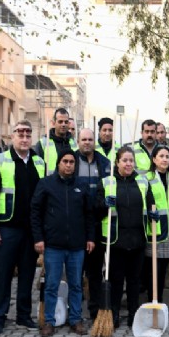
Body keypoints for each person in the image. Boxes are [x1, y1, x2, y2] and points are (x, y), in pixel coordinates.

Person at [0, 120, 45, 335]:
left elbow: (42, 199)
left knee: (28, 275)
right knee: (4, 275)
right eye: (20, 133)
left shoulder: (39, 162)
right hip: (6, 228)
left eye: (28, 134)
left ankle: (23, 315)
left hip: (30, 231)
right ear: (12, 137)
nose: (25, 137)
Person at [31, 149, 96, 337]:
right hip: (53, 245)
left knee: (76, 284)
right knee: (51, 285)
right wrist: (38, 238)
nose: (68, 165)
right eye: (65, 161)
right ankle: (49, 321)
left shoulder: (82, 185)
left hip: (77, 245)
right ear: (58, 164)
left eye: (72, 162)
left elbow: (89, 214)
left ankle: (75, 319)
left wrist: (90, 237)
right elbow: (35, 212)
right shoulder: (46, 184)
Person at [98, 147, 156, 329]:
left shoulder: (142, 182)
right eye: (125, 160)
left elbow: (151, 202)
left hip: (137, 239)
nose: (129, 163)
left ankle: (133, 314)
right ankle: (113, 314)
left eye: (131, 160)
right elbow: (95, 207)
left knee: (134, 281)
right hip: (115, 240)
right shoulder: (108, 182)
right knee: (115, 280)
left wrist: (154, 214)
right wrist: (103, 203)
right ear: (117, 163)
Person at [76, 128, 111, 321]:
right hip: (76, 223)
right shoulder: (70, 161)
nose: (87, 142)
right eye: (84, 139)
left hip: (98, 223)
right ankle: (74, 311)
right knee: (75, 271)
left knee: (95, 271)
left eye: (90, 139)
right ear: (78, 141)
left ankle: (95, 309)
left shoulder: (104, 163)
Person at [143, 145, 169, 303]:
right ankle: (153, 300)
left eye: (167, 157)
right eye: (161, 156)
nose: (165, 159)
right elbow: (143, 200)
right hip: (154, 230)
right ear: (154, 159)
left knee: (164, 269)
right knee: (153, 271)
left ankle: (159, 300)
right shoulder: (147, 178)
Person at [35, 108, 78, 174]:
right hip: (50, 183)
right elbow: (36, 169)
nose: (63, 125)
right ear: (53, 123)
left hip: (70, 183)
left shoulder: (74, 144)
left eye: (66, 122)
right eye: (60, 122)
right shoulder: (42, 144)